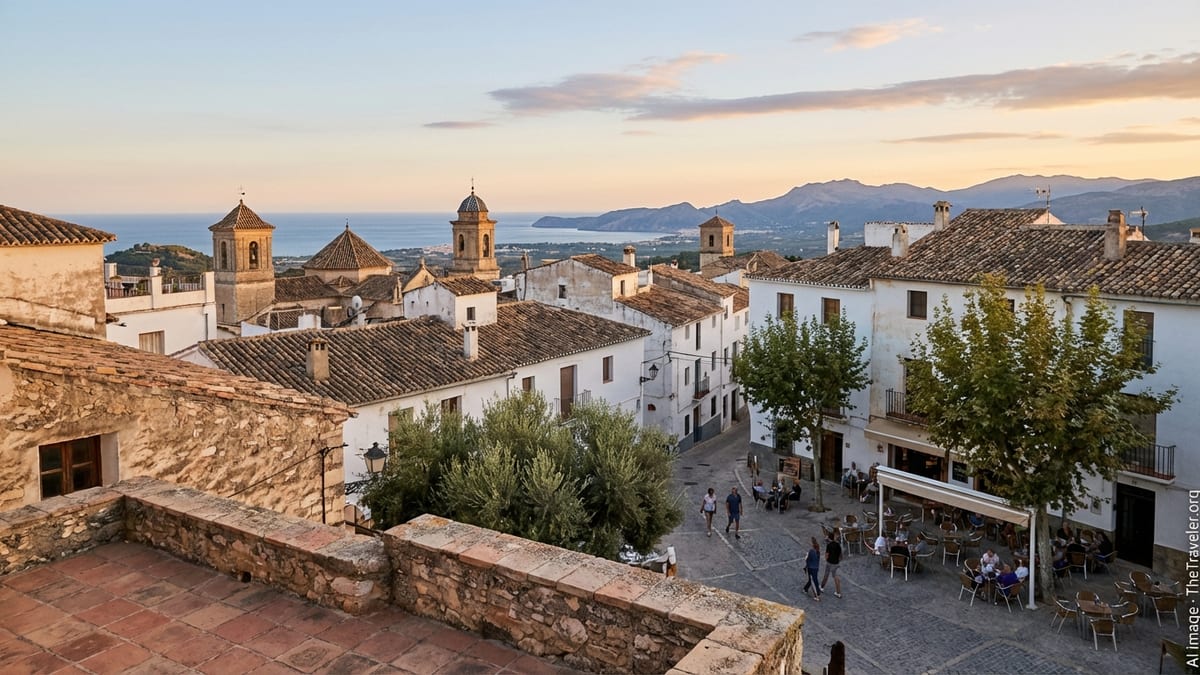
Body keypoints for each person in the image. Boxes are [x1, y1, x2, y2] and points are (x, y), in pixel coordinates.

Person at [821, 528, 843, 599]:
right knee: (835, 576)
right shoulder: (838, 545)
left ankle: (821, 587)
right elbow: (840, 555)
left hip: (829, 562)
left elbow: (826, 555)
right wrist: (838, 560)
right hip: (836, 563)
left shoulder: (829, 545)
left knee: (826, 575)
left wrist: (827, 559)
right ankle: (838, 592)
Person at [802, 537, 822, 601]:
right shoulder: (818, 552)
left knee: (812, 580)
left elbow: (807, 560)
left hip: (811, 568)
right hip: (816, 568)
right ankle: (808, 589)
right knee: (814, 580)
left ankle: (816, 594)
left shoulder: (811, 551)